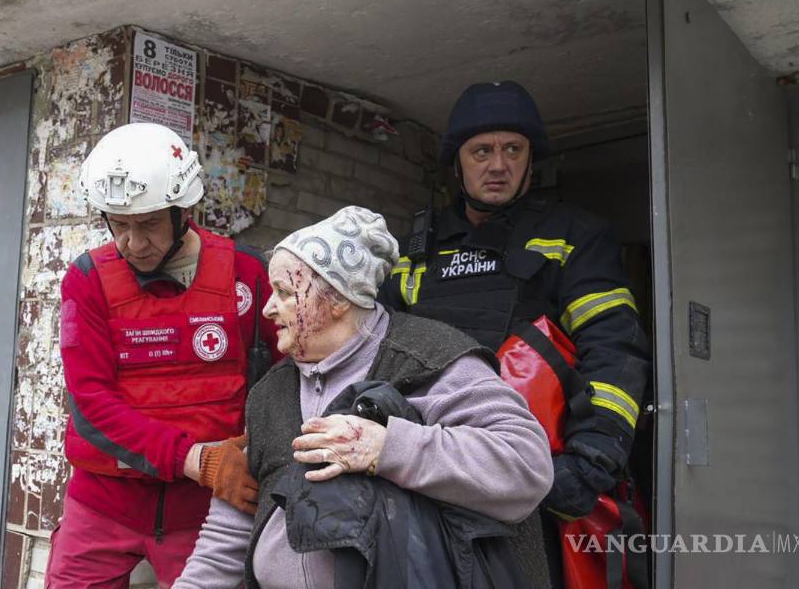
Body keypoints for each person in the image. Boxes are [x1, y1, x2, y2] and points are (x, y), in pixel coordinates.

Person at [173, 206, 553, 588]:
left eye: (285, 293)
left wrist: (386, 448)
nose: (269, 308)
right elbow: (229, 531)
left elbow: (526, 466)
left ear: (337, 299)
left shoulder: (430, 358)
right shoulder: (271, 392)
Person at [377, 81, 652, 585]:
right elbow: (377, 353)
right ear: (457, 163)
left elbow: (615, 351)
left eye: (513, 149)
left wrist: (590, 463)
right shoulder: (415, 249)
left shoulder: (575, 236)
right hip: (426, 473)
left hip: (534, 482)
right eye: (482, 151)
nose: (497, 165)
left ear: (531, 158)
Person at [45, 123, 280, 588]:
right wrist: (196, 459)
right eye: (120, 224)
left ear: (183, 210)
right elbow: (91, 402)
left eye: (149, 223)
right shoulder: (87, 279)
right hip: (103, 503)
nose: (133, 243)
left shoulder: (248, 274)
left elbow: (283, 380)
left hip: (206, 513)